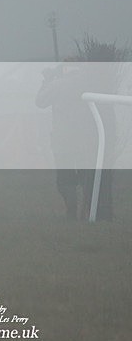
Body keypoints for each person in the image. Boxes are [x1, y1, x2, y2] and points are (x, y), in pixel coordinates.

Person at [36, 56, 113, 221]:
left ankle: (72, 211)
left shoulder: (58, 85)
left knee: (65, 179)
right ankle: (88, 210)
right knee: (87, 177)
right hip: (86, 140)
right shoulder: (91, 83)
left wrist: (48, 80)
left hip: (63, 141)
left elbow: (40, 101)